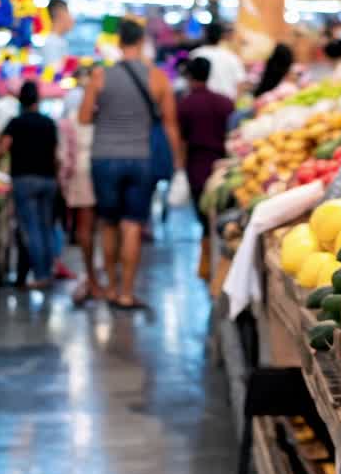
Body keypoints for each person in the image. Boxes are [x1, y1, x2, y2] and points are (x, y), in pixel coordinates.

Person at [78, 18, 184, 310]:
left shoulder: (100, 76)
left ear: (118, 42)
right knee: (132, 225)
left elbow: (84, 117)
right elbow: (171, 124)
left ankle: (110, 288)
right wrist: (177, 161)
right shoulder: (158, 77)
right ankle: (126, 292)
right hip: (141, 157)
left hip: (103, 157)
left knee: (108, 224)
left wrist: (108, 116)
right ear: (141, 42)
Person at [0, 82, 60, 289]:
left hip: (24, 179)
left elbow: (3, 148)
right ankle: (49, 271)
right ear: (38, 99)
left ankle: (40, 275)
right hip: (48, 179)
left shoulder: (15, 123)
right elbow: (56, 154)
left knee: (31, 228)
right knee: (46, 227)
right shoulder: (49, 123)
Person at [178, 57, 234, 280]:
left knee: (202, 216)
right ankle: (217, 269)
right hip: (221, 166)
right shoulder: (225, 102)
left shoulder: (186, 105)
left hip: (196, 165)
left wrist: (180, 167)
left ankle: (206, 267)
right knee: (221, 216)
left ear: (190, 77)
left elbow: (181, 140)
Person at [58, 69, 101, 303]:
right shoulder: (101, 117)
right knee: (103, 226)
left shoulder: (71, 120)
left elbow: (64, 156)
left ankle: (92, 276)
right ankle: (96, 278)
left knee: (85, 227)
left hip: (80, 176)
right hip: (100, 172)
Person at [189, 23, 245, 102]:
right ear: (222, 36)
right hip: (226, 105)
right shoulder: (232, 57)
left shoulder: (194, 55)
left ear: (205, 35)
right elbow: (240, 84)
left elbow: (189, 82)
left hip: (200, 104)